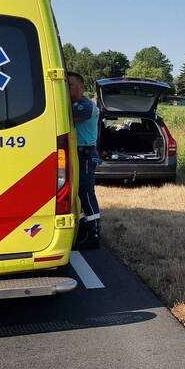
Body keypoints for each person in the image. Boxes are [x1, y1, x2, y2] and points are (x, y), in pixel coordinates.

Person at [67, 72, 101, 249]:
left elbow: (67, 116)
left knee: (86, 193)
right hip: (78, 153)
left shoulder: (86, 106)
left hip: (85, 154)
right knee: (78, 193)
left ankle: (94, 233)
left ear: (79, 87)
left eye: (69, 84)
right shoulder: (77, 103)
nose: (66, 87)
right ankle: (83, 229)